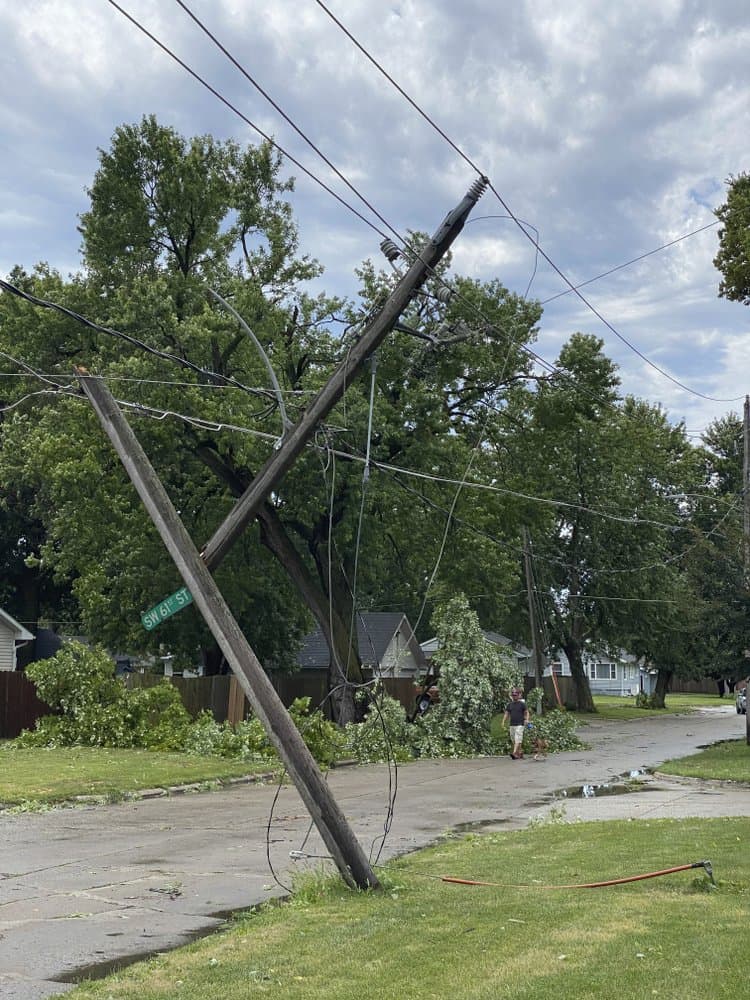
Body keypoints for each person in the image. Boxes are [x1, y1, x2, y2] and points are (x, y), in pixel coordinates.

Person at [503, 687, 529, 760]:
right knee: (514, 739)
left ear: (519, 695)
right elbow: (506, 714)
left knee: (517, 737)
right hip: (512, 724)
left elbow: (526, 712)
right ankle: (520, 752)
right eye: (513, 695)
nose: (514, 696)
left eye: (515, 695)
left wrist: (526, 720)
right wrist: (503, 722)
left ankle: (514, 753)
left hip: (520, 724)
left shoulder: (522, 704)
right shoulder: (510, 705)